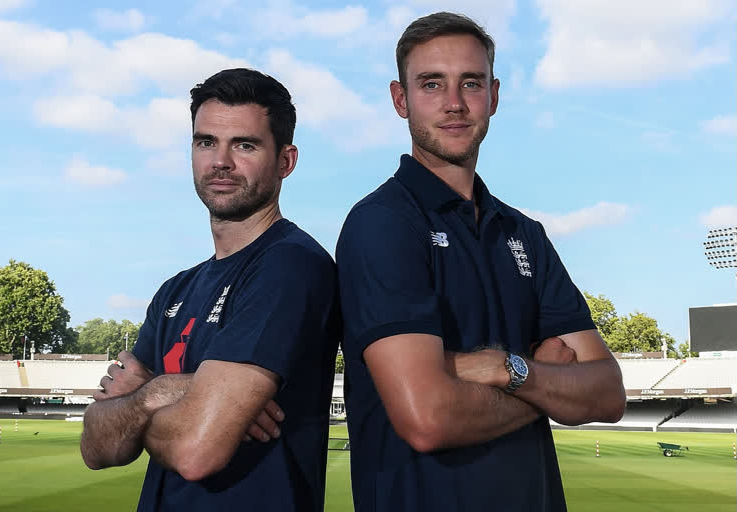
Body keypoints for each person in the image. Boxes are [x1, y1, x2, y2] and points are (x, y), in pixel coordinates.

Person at [335, 12, 625, 511]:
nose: (454, 104)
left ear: (493, 95)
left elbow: (607, 392)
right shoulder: (381, 223)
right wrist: (543, 382)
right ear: (400, 100)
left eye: (470, 83)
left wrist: (509, 370)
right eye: (432, 84)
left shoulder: (523, 234)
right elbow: (427, 418)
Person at [80, 68, 340, 511]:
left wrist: (142, 401)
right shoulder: (175, 290)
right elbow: (98, 447)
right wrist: (169, 392)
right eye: (205, 142)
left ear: (286, 161)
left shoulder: (291, 266)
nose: (220, 161)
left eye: (244, 145)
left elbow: (197, 450)